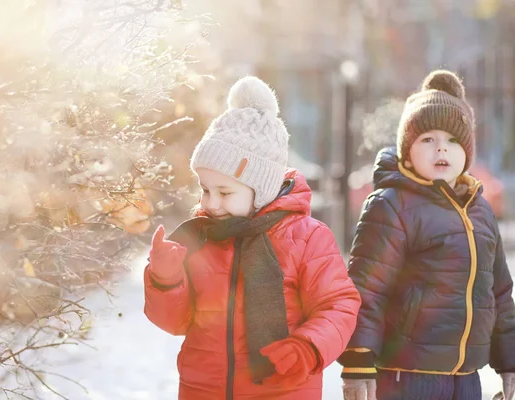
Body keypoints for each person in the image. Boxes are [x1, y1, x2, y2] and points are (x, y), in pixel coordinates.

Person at [144, 75, 361, 399]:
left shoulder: (306, 238)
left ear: (261, 189)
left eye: (225, 192)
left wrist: (308, 346)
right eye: (205, 189)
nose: (210, 202)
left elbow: (338, 305)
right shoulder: (202, 237)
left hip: (283, 389)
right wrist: (166, 280)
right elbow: (177, 322)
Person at [338, 69, 515, 400]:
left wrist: (510, 360)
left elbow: (500, 291)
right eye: (427, 140)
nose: (441, 150)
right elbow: (367, 287)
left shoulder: (479, 210)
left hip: (466, 378)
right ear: (407, 151)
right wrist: (358, 358)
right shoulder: (392, 205)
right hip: (407, 375)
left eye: (452, 141)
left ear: (466, 151)